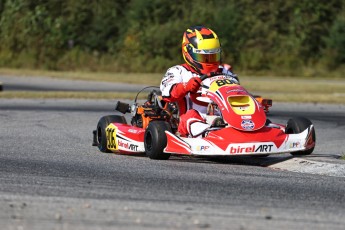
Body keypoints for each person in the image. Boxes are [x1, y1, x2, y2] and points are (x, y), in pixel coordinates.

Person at [160, 26, 239, 137]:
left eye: (213, 56)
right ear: (188, 52)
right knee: (191, 116)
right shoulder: (178, 71)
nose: (210, 61)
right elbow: (167, 94)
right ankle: (209, 133)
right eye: (204, 57)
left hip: (224, 120)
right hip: (190, 123)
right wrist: (185, 87)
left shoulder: (224, 71)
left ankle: (252, 129)